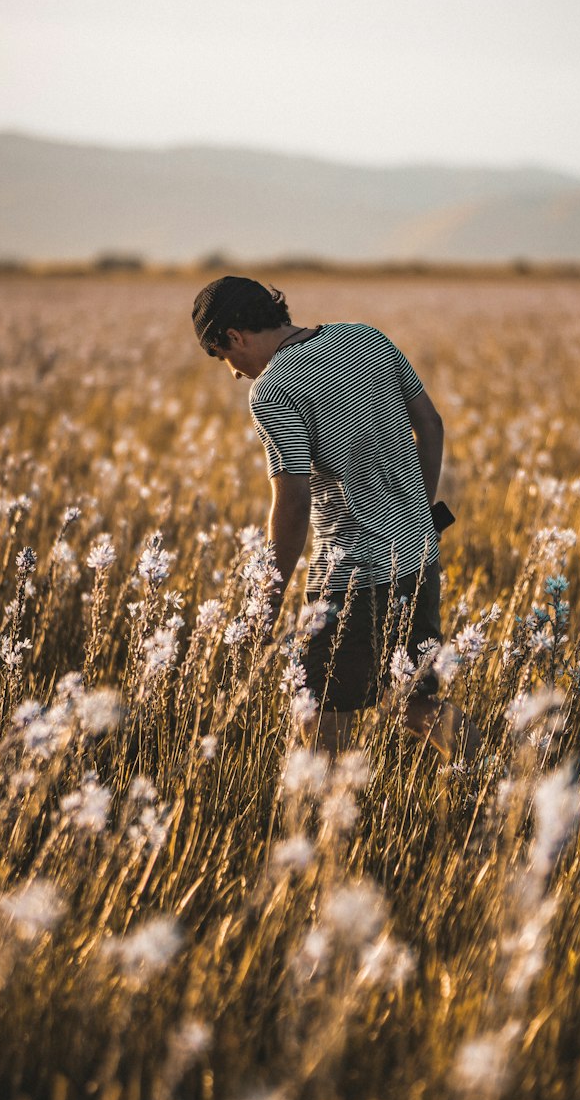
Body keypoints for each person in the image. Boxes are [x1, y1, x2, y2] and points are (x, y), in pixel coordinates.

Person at [192, 274, 479, 762]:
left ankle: (327, 827)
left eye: (224, 359)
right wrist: (418, 511)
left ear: (234, 337)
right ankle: (505, 777)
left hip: (353, 577)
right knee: (412, 699)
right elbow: (430, 423)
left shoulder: (272, 390)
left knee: (316, 710)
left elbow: (294, 500)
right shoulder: (366, 336)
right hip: (418, 553)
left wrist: (269, 598)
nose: (235, 373)